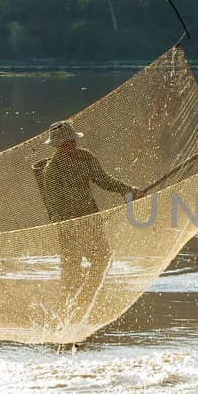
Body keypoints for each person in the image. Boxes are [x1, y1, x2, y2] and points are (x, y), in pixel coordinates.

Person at [34, 121, 140, 295]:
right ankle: (69, 302)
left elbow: (103, 180)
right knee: (72, 268)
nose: (71, 144)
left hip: (90, 219)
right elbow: (55, 205)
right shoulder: (51, 171)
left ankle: (88, 295)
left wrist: (128, 191)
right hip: (68, 226)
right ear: (57, 146)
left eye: (72, 141)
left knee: (102, 258)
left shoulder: (85, 157)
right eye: (66, 143)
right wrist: (71, 227)